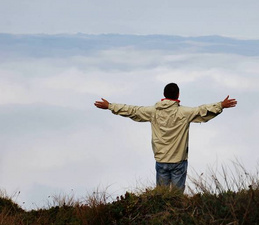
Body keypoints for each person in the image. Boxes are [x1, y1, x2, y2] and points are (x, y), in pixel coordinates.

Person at [94, 82, 237, 192]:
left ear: (164, 94)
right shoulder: (184, 113)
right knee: (176, 198)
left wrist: (110, 106)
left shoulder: (152, 111)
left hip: (161, 160)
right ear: (178, 95)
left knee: (162, 197)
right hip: (178, 161)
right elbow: (202, 111)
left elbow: (132, 110)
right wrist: (221, 105)